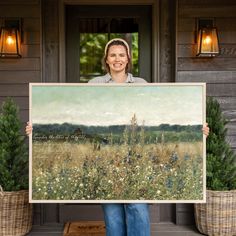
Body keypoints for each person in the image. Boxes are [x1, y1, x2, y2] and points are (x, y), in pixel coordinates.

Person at [26, 38, 210, 236]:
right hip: (106, 156)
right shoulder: (95, 84)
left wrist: (196, 131)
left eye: (121, 55)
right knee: (112, 215)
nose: (117, 59)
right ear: (106, 59)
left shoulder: (141, 84)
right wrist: (39, 129)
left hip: (136, 155)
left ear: (128, 58)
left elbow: (155, 115)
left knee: (137, 209)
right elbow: (80, 117)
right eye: (113, 55)